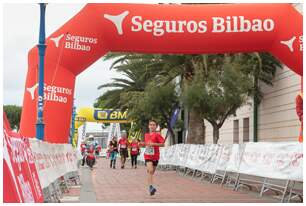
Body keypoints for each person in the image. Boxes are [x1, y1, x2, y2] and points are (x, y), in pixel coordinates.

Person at [139, 120, 165, 196]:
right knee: (150, 171)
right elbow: (147, 144)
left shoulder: (157, 135)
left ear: (156, 126)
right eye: (150, 125)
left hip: (155, 156)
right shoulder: (146, 135)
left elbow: (163, 144)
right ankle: (151, 187)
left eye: (153, 125)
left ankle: (150, 186)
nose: (152, 126)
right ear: (148, 126)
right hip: (147, 155)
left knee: (151, 172)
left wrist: (154, 144)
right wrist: (142, 144)